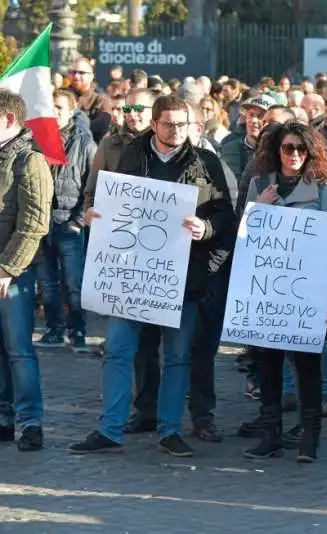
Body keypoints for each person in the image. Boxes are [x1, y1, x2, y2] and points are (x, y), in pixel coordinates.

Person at [69, 96, 235, 457]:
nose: (176, 131)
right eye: (169, 124)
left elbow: (225, 214)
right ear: (154, 125)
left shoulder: (206, 162)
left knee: (177, 357)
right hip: (131, 276)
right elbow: (105, 199)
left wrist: (204, 227)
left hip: (182, 279)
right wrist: (96, 215)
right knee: (117, 351)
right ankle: (109, 429)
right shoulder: (130, 156)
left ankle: (170, 430)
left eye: (182, 124)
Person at [242, 122, 327, 463]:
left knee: (307, 367)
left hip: (306, 294)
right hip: (269, 293)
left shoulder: (321, 188)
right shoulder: (260, 184)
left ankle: (310, 436)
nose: (295, 155)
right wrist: (259, 207)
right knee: (268, 365)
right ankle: (270, 433)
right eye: (288, 148)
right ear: (276, 150)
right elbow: (244, 240)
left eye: (302, 149)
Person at [0, 89, 54, 452]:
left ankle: (30, 421)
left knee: (19, 350)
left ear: (7, 120)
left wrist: (6, 269)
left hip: (13, 274)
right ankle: (3, 417)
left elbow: (35, 224)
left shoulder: (30, 160)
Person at [34, 90, 96, 352]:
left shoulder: (85, 143)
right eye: (51, 107)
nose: (55, 111)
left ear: (72, 110)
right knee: (47, 282)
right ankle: (54, 329)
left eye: (60, 107)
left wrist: (79, 220)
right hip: (42, 223)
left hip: (69, 222)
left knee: (73, 282)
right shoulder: (37, 140)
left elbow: (94, 185)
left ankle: (77, 329)